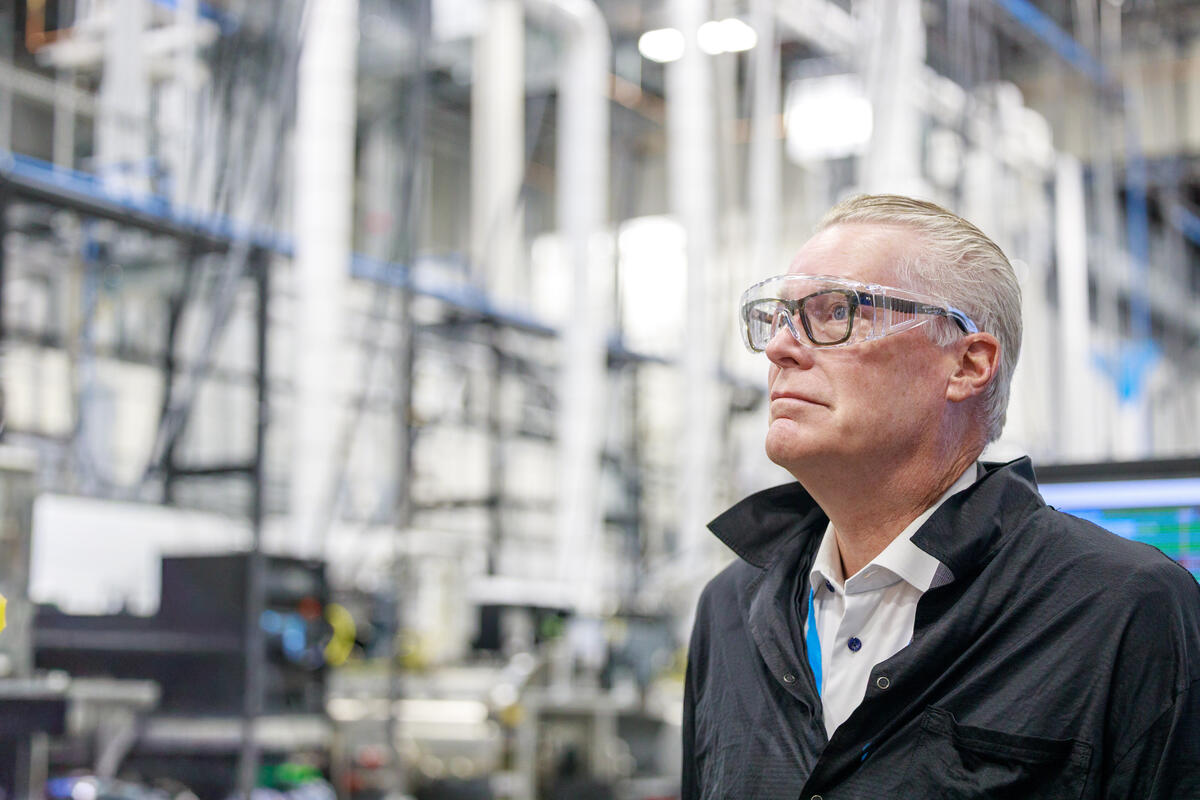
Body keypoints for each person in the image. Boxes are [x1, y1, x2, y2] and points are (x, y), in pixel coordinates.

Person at [681, 194, 1200, 799]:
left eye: (835, 313)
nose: (779, 349)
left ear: (968, 365)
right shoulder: (732, 610)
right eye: (779, 317)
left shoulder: (1123, 611)